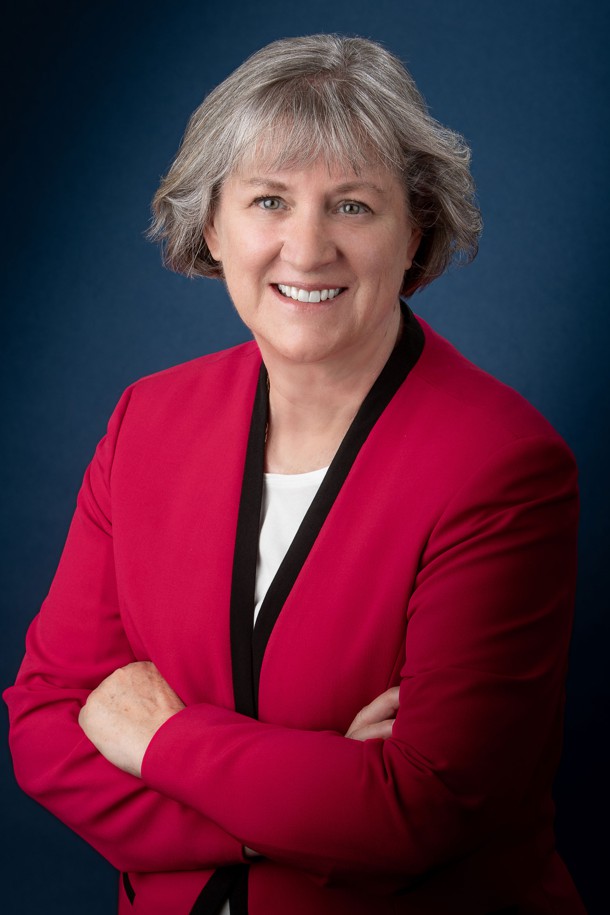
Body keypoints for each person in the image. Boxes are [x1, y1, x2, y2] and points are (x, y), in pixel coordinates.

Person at [4, 34, 586, 915]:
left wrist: (160, 740)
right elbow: (46, 724)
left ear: (415, 231)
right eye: (269, 200)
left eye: (352, 206)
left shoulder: (501, 467)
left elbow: (419, 808)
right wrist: (304, 799)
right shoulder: (146, 421)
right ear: (213, 225)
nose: (307, 249)